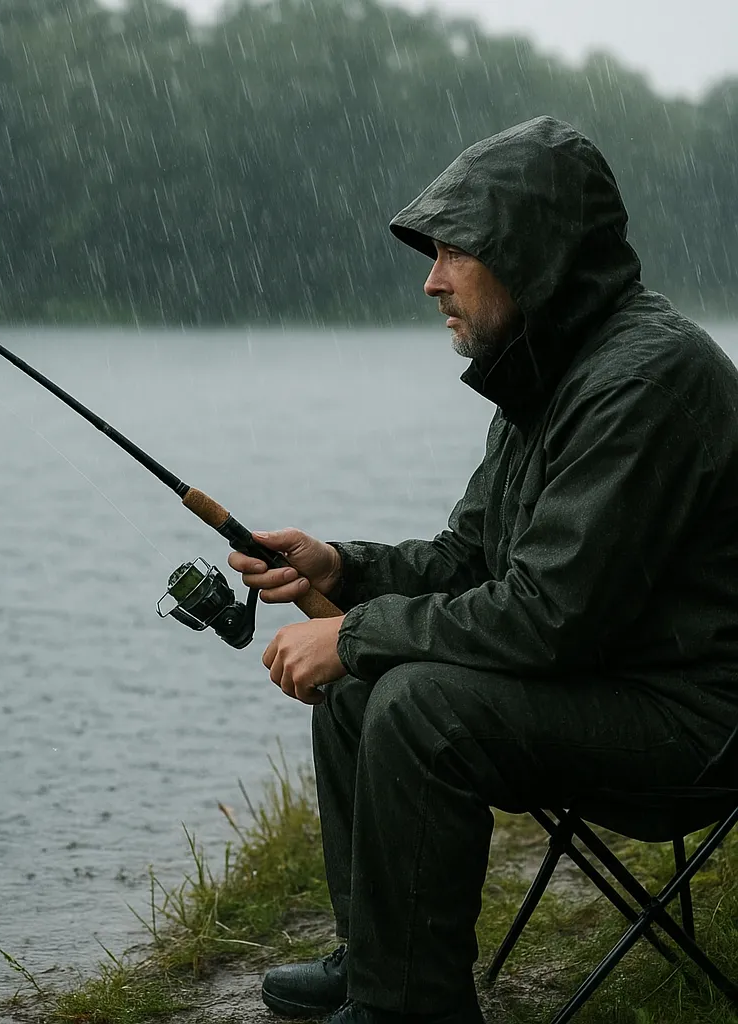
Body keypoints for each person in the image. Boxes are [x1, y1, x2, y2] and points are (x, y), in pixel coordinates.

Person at [228, 116, 738, 1024]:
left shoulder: (646, 380)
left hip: (695, 719)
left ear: (531, 253)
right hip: (613, 679)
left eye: (453, 252)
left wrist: (352, 634)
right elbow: (472, 557)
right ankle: (379, 962)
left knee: (418, 702)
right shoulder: (545, 371)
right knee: (360, 691)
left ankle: (407, 1010)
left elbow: (551, 615)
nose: (430, 281)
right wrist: (342, 569)